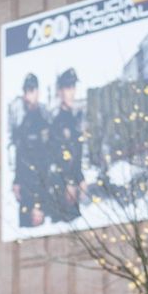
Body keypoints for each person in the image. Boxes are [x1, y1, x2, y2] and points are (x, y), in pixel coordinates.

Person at [11, 73, 49, 228]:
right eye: (26, 91)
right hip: (26, 182)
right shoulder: (22, 120)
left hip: (43, 181)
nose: (28, 96)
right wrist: (16, 181)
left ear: (38, 92)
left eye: (31, 91)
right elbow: (19, 153)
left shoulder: (45, 116)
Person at [47, 68, 85, 223]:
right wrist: (70, 182)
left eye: (73, 87)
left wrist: (80, 179)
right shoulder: (58, 122)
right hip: (63, 189)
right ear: (60, 91)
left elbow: (76, 156)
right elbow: (60, 157)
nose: (71, 92)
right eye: (68, 87)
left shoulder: (73, 119)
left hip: (72, 187)